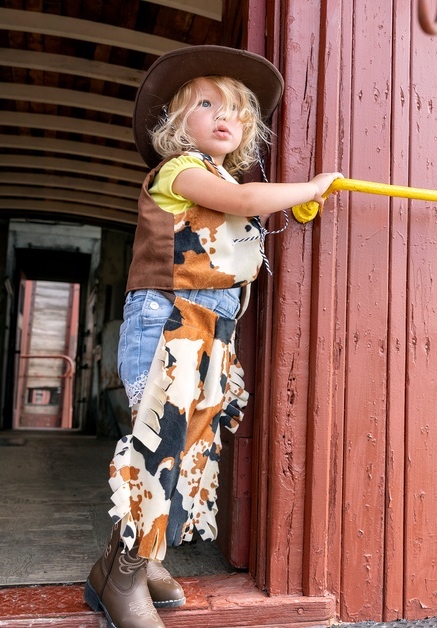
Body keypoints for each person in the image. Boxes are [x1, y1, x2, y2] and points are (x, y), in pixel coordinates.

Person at [84, 45, 341, 628]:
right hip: (167, 319)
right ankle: (124, 573)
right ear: (177, 125)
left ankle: (134, 562)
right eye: (207, 104)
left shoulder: (219, 175)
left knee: (189, 445)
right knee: (160, 444)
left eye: (238, 111)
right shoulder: (182, 172)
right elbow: (248, 201)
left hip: (210, 327)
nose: (226, 116)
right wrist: (313, 187)